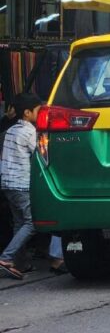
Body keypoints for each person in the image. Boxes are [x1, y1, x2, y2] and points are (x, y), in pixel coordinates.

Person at [0, 93, 42, 279]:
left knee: (19, 223)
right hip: (21, 184)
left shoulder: (11, 130)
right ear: (27, 113)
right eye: (38, 111)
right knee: (31, 223)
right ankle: (6, 258)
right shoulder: (29, 132)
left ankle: (20, 263)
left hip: (7, 184)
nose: (40, 114)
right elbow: (40, 153)